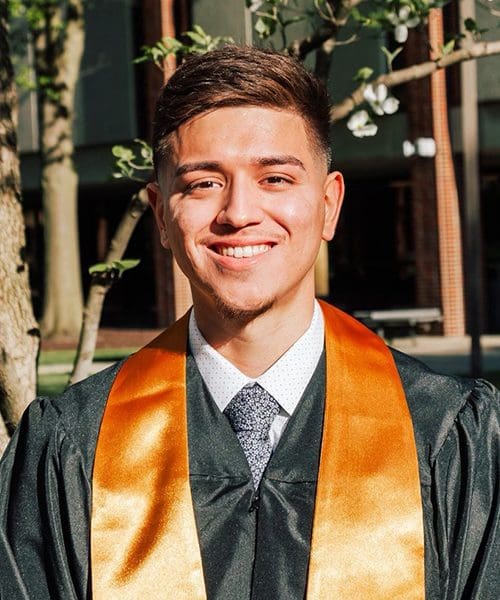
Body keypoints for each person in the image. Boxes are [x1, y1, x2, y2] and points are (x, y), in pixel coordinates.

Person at [0, 45, 498, 600]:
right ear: (161, 213)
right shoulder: (73, 445)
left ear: (329, 204)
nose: (238, 213)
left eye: (276, 179)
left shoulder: (446, 436)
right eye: (203, 183)